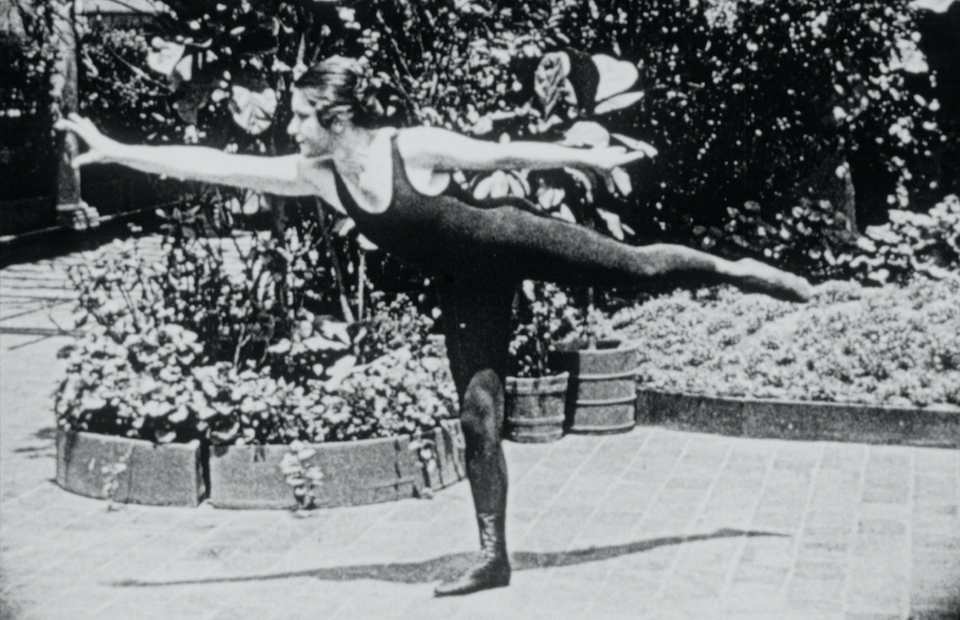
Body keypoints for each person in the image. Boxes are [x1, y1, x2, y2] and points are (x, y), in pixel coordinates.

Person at [57, 56, 811, 597]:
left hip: (512, 234)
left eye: (299, 115)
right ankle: (493, 558)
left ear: (335, 118)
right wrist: (119, 149)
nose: (289, 128)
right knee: (479, 420)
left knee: (642, 269)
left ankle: (735, 269)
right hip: (468, 286)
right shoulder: (317, 176)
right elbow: (213, 165)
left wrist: (590, 158)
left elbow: (505, 150)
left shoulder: (406, 146)